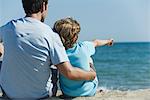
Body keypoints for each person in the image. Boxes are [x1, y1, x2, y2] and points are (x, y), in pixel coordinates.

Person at [0, 0, 96, 99]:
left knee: (2, 62)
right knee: (54, 65)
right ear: (43, 6)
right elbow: (69, 72)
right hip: (41, 95)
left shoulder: (9, 27)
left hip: (10, 94)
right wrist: (91, 75)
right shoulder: (50, 34)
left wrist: (1, 49)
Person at [53, 17, 113, 97]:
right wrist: (108, 41)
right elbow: (96, 42)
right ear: (75, 37)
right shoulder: (83, 47)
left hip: (67, 92)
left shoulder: (58, 52)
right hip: (89, 91)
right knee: (88, 59)